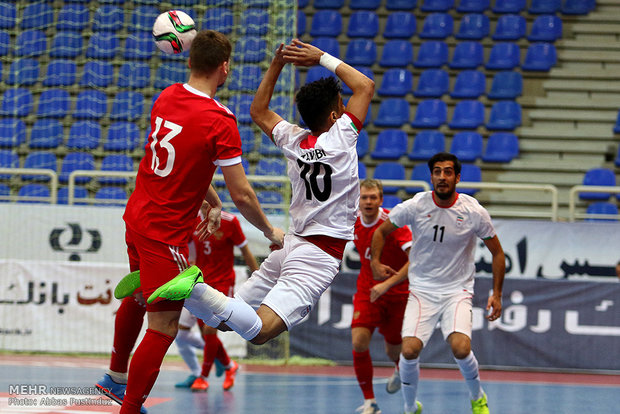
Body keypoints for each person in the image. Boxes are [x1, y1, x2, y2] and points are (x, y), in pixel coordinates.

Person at [132, 38, 374, 349]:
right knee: (259, 332)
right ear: (333, 117)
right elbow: (365, 86)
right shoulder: (342, 137)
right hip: (319, 255)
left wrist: (278, 63)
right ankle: (191, 288)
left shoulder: (294, 140)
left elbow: (258, 110)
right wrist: (321, 57)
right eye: (341, 108)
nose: (344, 112)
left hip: (291, 245)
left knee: (219, 321)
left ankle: (180, 286)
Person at [97, 30, 284, 414]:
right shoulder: (220, 120)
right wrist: (269, 230)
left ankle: (115, 378)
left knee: (138, 295)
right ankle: (129, 407)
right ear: (225, 68)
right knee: (164, 326)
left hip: (136, 219)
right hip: (165, 234)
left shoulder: (167, 96)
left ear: (188, 62)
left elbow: (179, 165)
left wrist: (209, 202)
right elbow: (244, 195)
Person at [370, 152, 505, 414]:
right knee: (408, 351)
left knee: (461, 347)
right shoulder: (416, 205)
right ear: (431, 176)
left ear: (457, 177)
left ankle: (478, 397)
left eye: (448, 172)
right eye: (437, 172)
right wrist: (375, 261)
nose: (442, 177)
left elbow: (498, 253)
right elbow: (381, 231)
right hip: (422, 290)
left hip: (458, 291)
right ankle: (411, 407)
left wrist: (497, 294)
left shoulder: (473, 211)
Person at [175, 210, 259, 392]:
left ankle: (203, 377)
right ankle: (229, 366)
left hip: (223, 282)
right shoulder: (193, 220)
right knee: (205, 333)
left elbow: (245, 250)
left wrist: (260, 280)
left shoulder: (230, 221)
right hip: (199, 282)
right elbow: (188, 252)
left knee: (209, 328)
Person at [352, 179, 412, 414]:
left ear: (381, 200)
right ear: (358, 199)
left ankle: (399, 367)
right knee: (358, 342)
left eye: (372, 198)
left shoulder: (393, 224)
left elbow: (414, 260)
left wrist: (387, 284)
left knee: (393, 349)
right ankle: (370, 402)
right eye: (364, 197)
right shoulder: (353, 221)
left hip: (397, 292)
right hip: (368, 291)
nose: (368, 202)